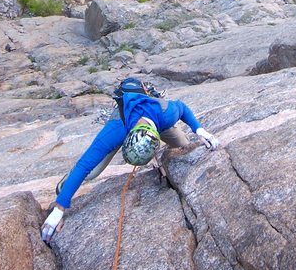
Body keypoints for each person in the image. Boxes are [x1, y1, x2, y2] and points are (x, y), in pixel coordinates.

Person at [41, 77, 219, 242]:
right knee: (91, 171)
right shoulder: (115, 130)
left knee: (183, 144)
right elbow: (84, 164)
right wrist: (59, 208)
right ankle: (64, 186)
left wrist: (200, 131)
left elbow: (183, 108)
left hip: (154, 121)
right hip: (125, 121)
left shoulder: (165, 113)